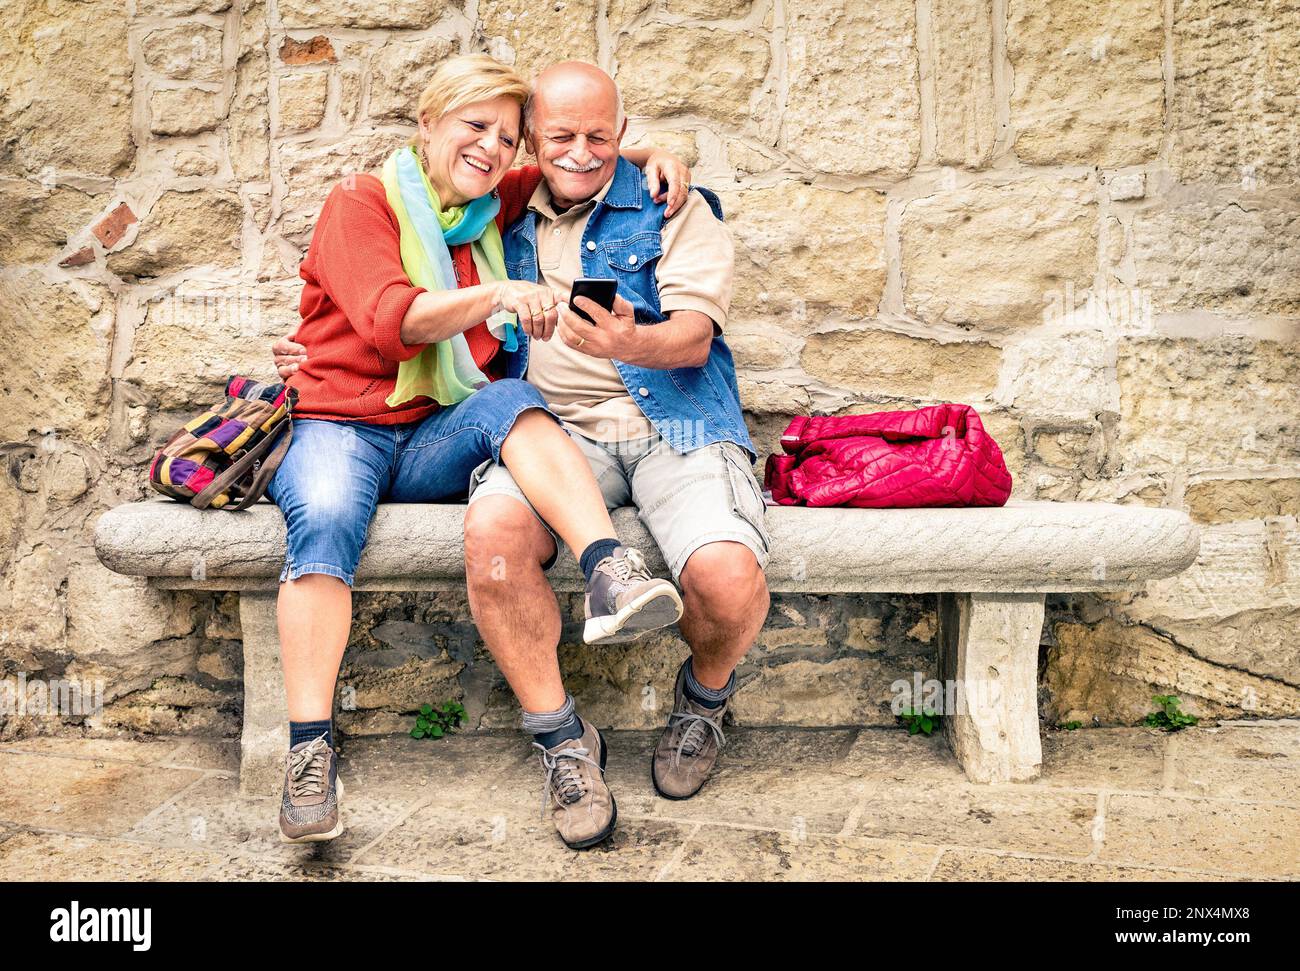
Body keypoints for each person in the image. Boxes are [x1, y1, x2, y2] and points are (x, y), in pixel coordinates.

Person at [267, 54, 693, 845]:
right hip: (338, 423)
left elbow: (578, 158)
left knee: (511, 397)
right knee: (324, 517)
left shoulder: (488, 203)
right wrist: (498, 294)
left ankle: (607, 567)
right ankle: (309, 751)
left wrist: (651, 155)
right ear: (427, 126)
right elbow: (393, 321)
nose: (494, 148)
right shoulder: (361, 203)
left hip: (433, 430)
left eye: (506, 135)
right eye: (475, 127)